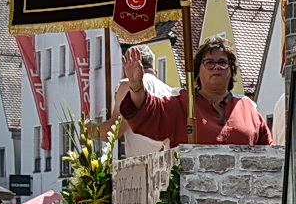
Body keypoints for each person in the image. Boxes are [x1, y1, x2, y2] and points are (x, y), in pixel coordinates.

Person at [117, 37, 273, 147]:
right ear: (198, 71)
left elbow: (268, 152)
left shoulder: (247, 107)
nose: (216, 67)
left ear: (232, 70)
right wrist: (136, 85)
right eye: (209, 62)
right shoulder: (181, 103)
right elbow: (145, 112)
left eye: (223, 63)